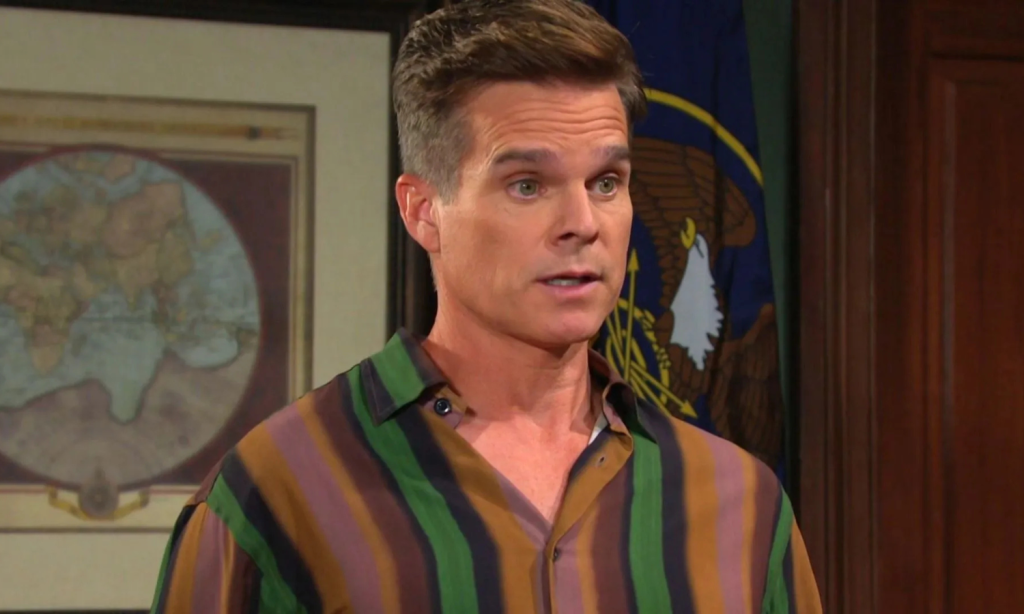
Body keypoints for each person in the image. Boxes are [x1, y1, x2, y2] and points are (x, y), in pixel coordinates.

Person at [149, 0, 822, 612]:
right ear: (423, 211)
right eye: (528, 185)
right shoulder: (278, 492)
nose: (583, 223)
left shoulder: (740, 505)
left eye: (606, 182)